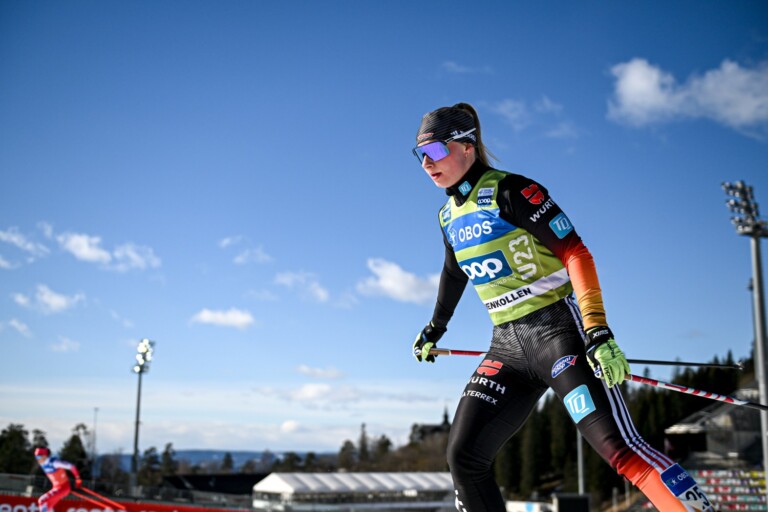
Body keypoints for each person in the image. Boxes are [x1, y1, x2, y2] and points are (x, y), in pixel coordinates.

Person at [410, 103, 715, 512]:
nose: (427, 164)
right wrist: (435, 327)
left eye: (435, 151)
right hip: (505, 348)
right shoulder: (448, 216)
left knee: (620, 449)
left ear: (467, 147)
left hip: (558, 333)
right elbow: (454, 273)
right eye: (420, 154)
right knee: (463, 457)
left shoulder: (512, 191)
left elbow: (575, 253)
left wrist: (598, 331)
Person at [35, 447, 82, 512]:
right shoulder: (43, 464)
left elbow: (71, 466)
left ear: (44, 456)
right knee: (47, 507)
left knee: (42, 500)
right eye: (36, 457)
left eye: (38, 457)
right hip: (56, 488)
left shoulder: (54, 462)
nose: (37, 459)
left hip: (63, 488)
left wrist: (77, 478)